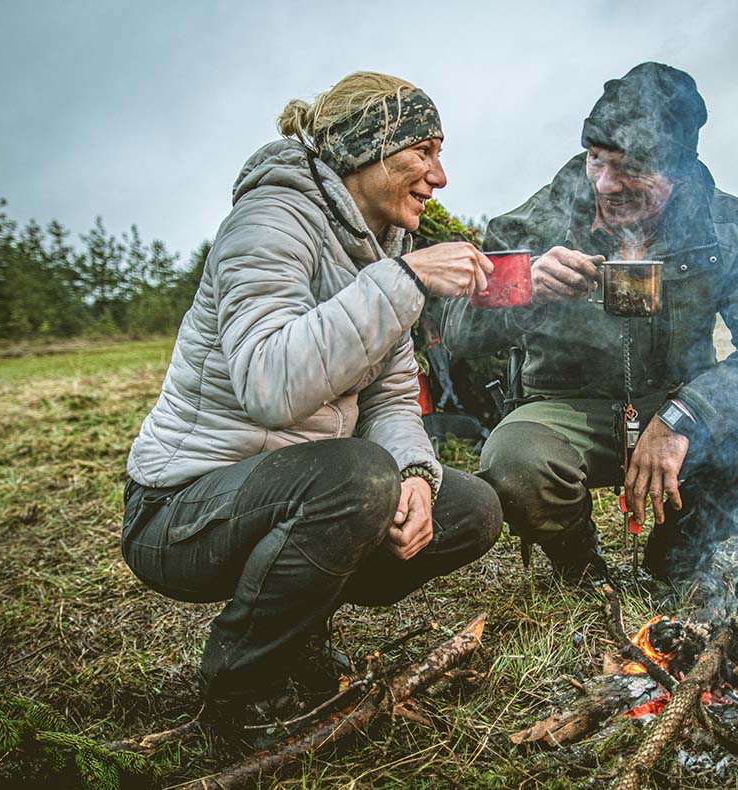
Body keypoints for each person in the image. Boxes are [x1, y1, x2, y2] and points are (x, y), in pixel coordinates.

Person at [120, 72, 502, 738]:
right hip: (178, 510)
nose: (439, 176)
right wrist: (404, 281)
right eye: (425, 151)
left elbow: (390, 394)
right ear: (369, 151)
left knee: (469, 509)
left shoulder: (379, 243)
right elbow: (269, 385)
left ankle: (296, 631)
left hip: (290, 493)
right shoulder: (267, 222)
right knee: (355, 477)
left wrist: (415, 474)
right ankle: (239, 686)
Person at [442, 62, 738, 585]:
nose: (606, 184)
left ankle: (682, 549)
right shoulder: (540, 220)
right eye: (596, 161)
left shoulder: (725, 227)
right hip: (563, 406)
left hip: (681, 401)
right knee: (515, 459)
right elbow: (458, 333)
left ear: (677, 169)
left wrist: (687, 414)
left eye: (630, 168)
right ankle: (579, 568)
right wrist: (525, 287)